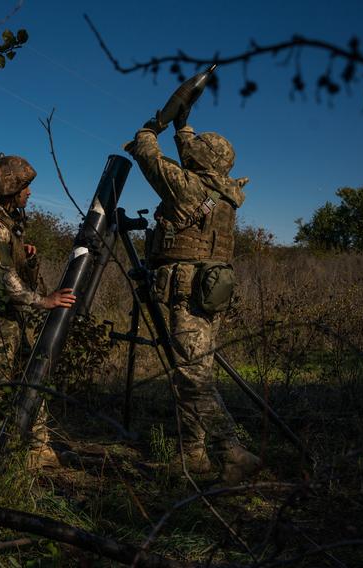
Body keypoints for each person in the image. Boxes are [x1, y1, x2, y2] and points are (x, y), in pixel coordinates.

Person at [124, 102, 262, 484]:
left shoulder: (188, 188)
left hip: (188, 293)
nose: (190, 149)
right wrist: (183, 127)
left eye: (195, 148)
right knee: (198, 371)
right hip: (211, 292)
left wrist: (150, 129)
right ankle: (193, 455)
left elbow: (150, 158)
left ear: (201, 160)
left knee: (191, 377)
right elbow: (195, 153)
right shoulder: (224, 188)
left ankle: (231, 451)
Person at [0, 155, 76, 469]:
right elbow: (4, 281)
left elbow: (8, 266)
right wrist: (45, 301)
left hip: (10, 319)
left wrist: (23, 255)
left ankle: (35, 450)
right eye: (25, 187)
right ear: (11, 188)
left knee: (30, 377)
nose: (29, 193)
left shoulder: (8, 225)